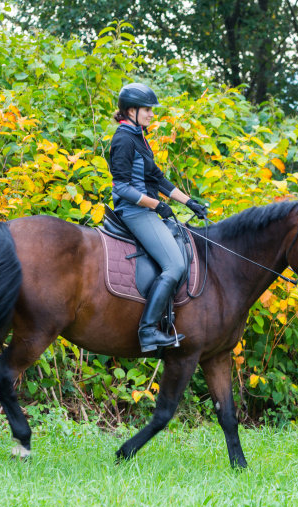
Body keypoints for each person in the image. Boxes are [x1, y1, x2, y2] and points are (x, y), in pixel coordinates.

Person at [108, 82, 208, 352]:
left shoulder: (139, 136)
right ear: (131, 110)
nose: (152, 114)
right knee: (175, 266)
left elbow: (157, 178)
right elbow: (122, 187)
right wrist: (156, 205)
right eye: (147, 109)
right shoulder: (123, 139)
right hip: (135, 211)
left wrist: (190, 202)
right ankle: (148, 330)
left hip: (147, 208)